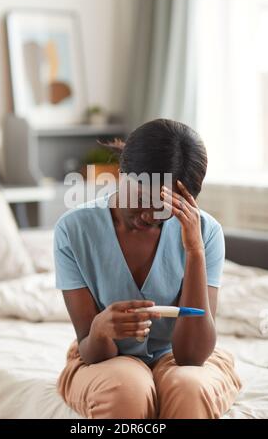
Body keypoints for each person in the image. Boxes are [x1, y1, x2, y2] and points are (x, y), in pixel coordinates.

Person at [54, 118, 241, 419]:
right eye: (141, 198)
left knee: (190, 388)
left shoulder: (205, 232)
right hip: (105, 360)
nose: (149, 215)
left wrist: (194, 251)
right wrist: (101, 330)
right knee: (127, 390)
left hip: (179, 358)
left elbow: (191, 357)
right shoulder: (74, 230)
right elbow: (91, 349)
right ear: (122, 172)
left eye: (165, 206)